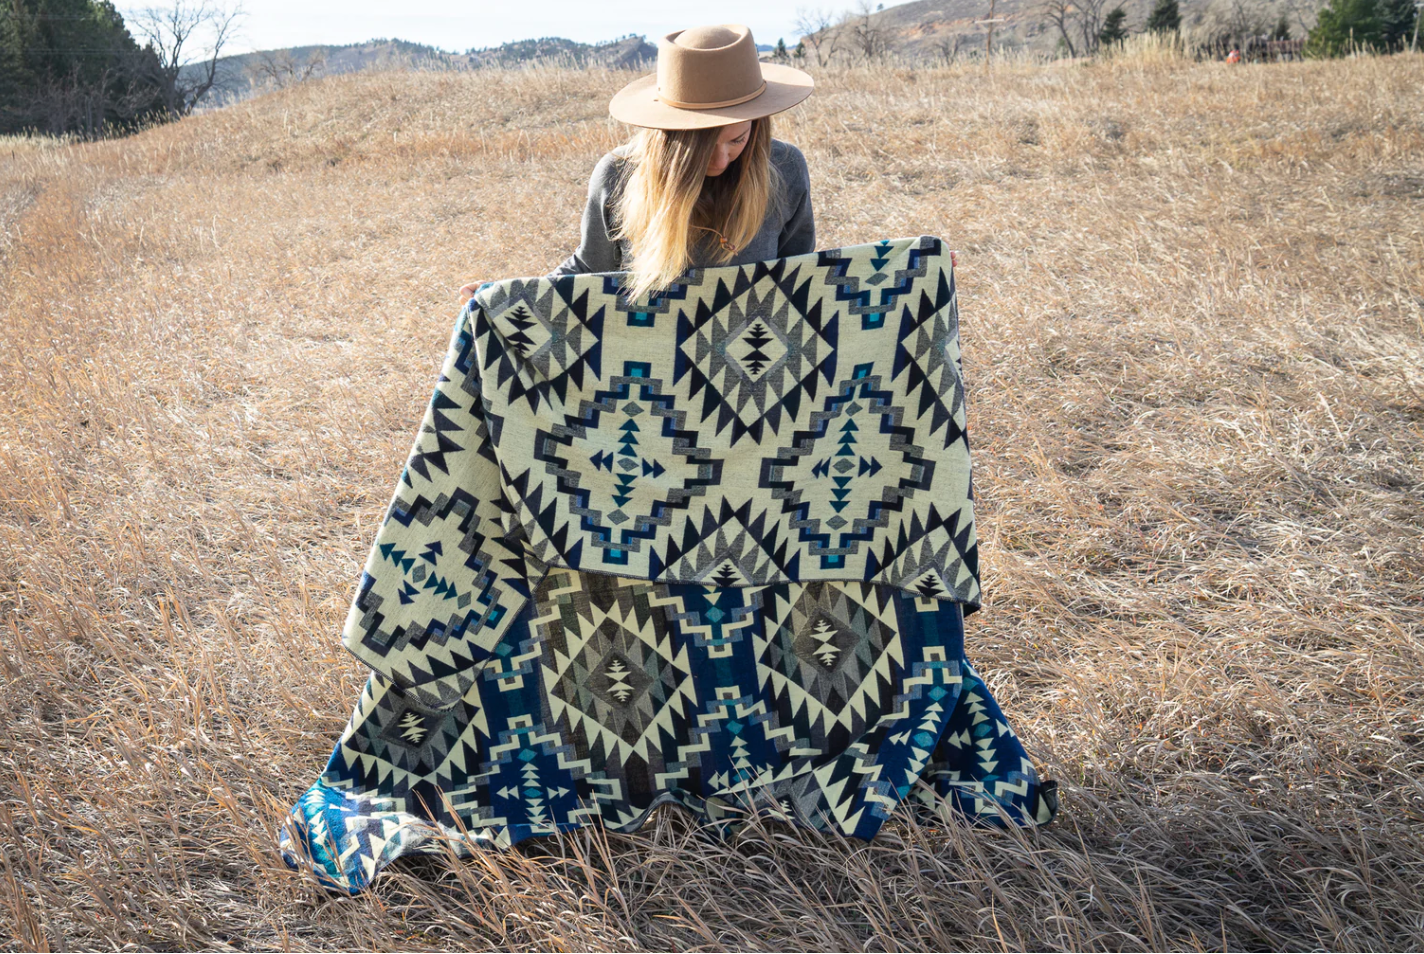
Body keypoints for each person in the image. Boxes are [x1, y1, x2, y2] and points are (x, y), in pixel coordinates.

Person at [461, 23, 815, 304]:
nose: (722, 159)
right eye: (703, 149)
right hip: (649, 370)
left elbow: (800, 275)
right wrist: (506, 299)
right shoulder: (619, 174)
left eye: (737, 140)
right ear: (672, 138)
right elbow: (590, 269)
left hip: (752, 367)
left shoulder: (785, 168)